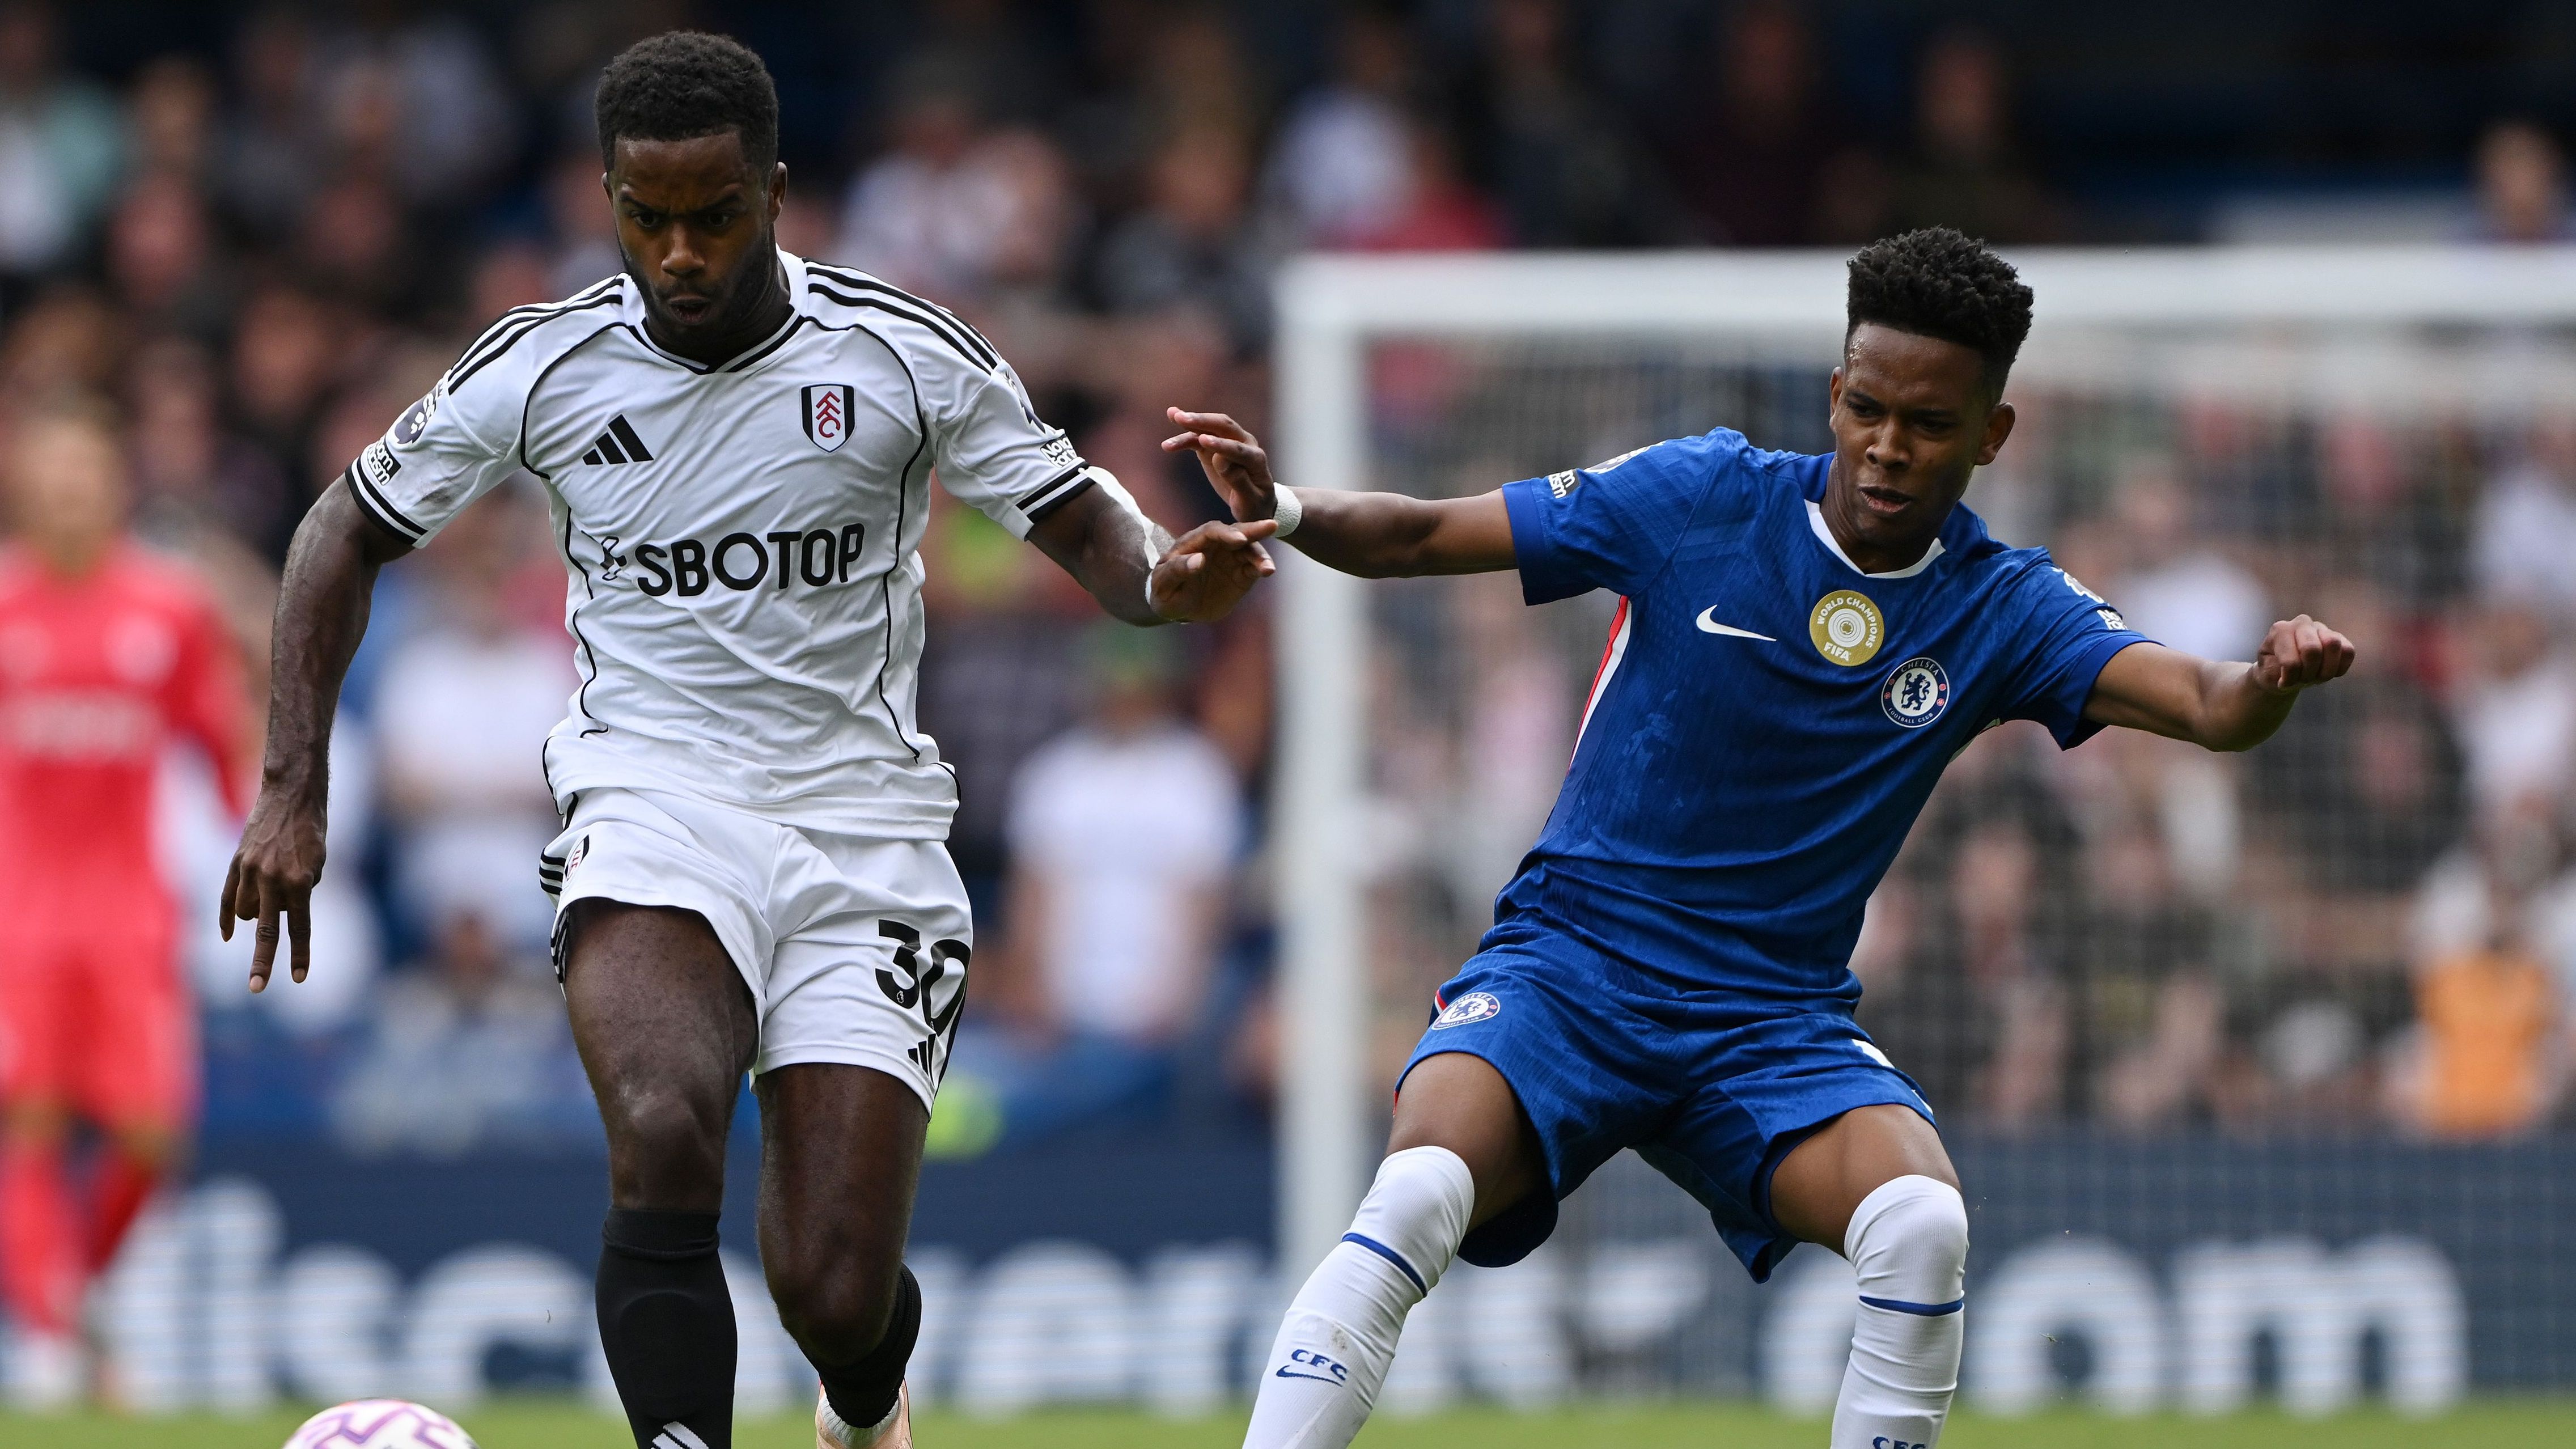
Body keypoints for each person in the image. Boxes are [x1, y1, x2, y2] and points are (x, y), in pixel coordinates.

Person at [218, 32, 1274, 1449]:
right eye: (645, 218)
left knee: (830, 1292)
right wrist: (293, 787)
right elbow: (342, 526)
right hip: (650, 800)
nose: (680, 252)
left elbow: (1084, 523)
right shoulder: (546, 365)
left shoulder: (900, 356)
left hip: (866, 834)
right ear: (605, 198)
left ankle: (868, 1399)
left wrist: (1167, 583)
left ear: (775, 192)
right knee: (661, 1125)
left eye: (714, 215)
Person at [1166, 227, 2358, 1449]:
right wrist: (1291, 509)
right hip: (1567, 973)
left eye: (1931, 425)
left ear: (1991, 434)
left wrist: (2267, 676)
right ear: (1836, 393)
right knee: (1417, 1191)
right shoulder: (1703, 498)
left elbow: (2209, 707)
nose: (1890, 448)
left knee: (1921, 1225)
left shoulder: (2002, 607)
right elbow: (1420, 534)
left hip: (1766, 1024)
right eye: (1869, 408)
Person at [0, 406, 247, 1408]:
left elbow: (222, 744)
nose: (70, 490)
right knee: (33, 1124)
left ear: (116, 485)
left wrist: (263, 844)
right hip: (19, 918)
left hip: (130, 917)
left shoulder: (169, 606)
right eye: (51, 472)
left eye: (86, 470)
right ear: (25, 488)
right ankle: (55, 1341)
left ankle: (78, 1296)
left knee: (153, 1135)